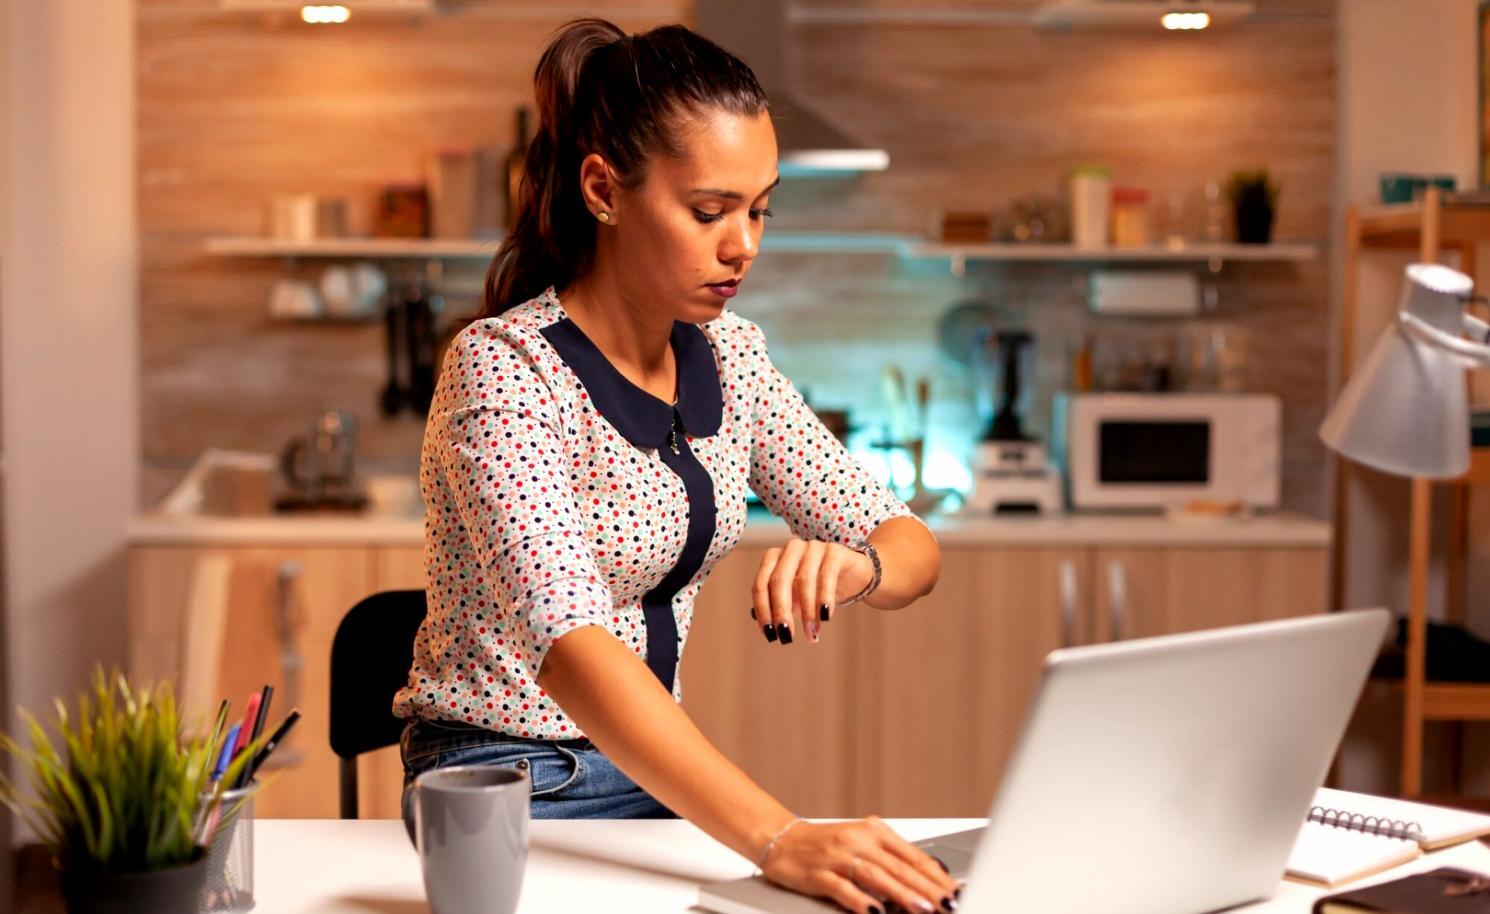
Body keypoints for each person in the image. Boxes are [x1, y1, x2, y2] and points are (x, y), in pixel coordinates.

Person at [393, 18, 954, 914]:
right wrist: (782, 837)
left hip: (656, 782)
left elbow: (909, 542)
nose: (745, 245)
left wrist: (863, 564)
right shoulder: (503, 367)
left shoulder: (728, 354)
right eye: (709, 211)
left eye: (760, 208)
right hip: (508, 783)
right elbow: (570, 645)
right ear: (604, 190)